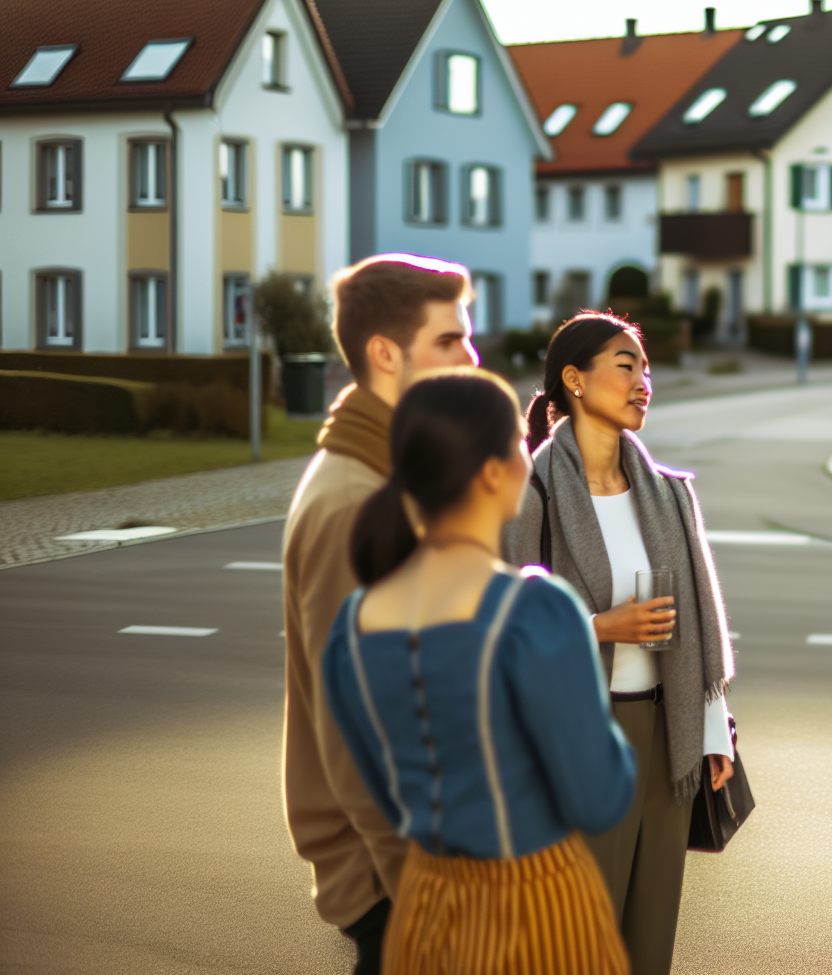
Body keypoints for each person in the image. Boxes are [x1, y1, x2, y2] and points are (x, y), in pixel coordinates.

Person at [322, 369, 637, 974]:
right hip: (539, 907)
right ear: (494, 472)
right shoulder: (536, 613)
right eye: (521, 444)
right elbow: (600, 797)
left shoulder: (352, 626)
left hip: (425, 905)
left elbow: (383, 796)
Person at [503, 310, 736, 975]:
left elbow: (695, 614)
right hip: (579, 732)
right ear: (573, 380)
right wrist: (602, 626)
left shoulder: (667, 493)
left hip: (669, 735)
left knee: (649, 934)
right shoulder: (531, 492)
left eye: (647, 369)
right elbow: (503, 619)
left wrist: (713, 728)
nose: (644, 383)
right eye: (627, 366)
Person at [281, 254, 478, 973]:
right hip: (398, 889)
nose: (472, 357)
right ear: (385, 354)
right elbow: (352, 733)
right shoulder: (352, 502)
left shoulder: (394, 478)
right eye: (450, 340)